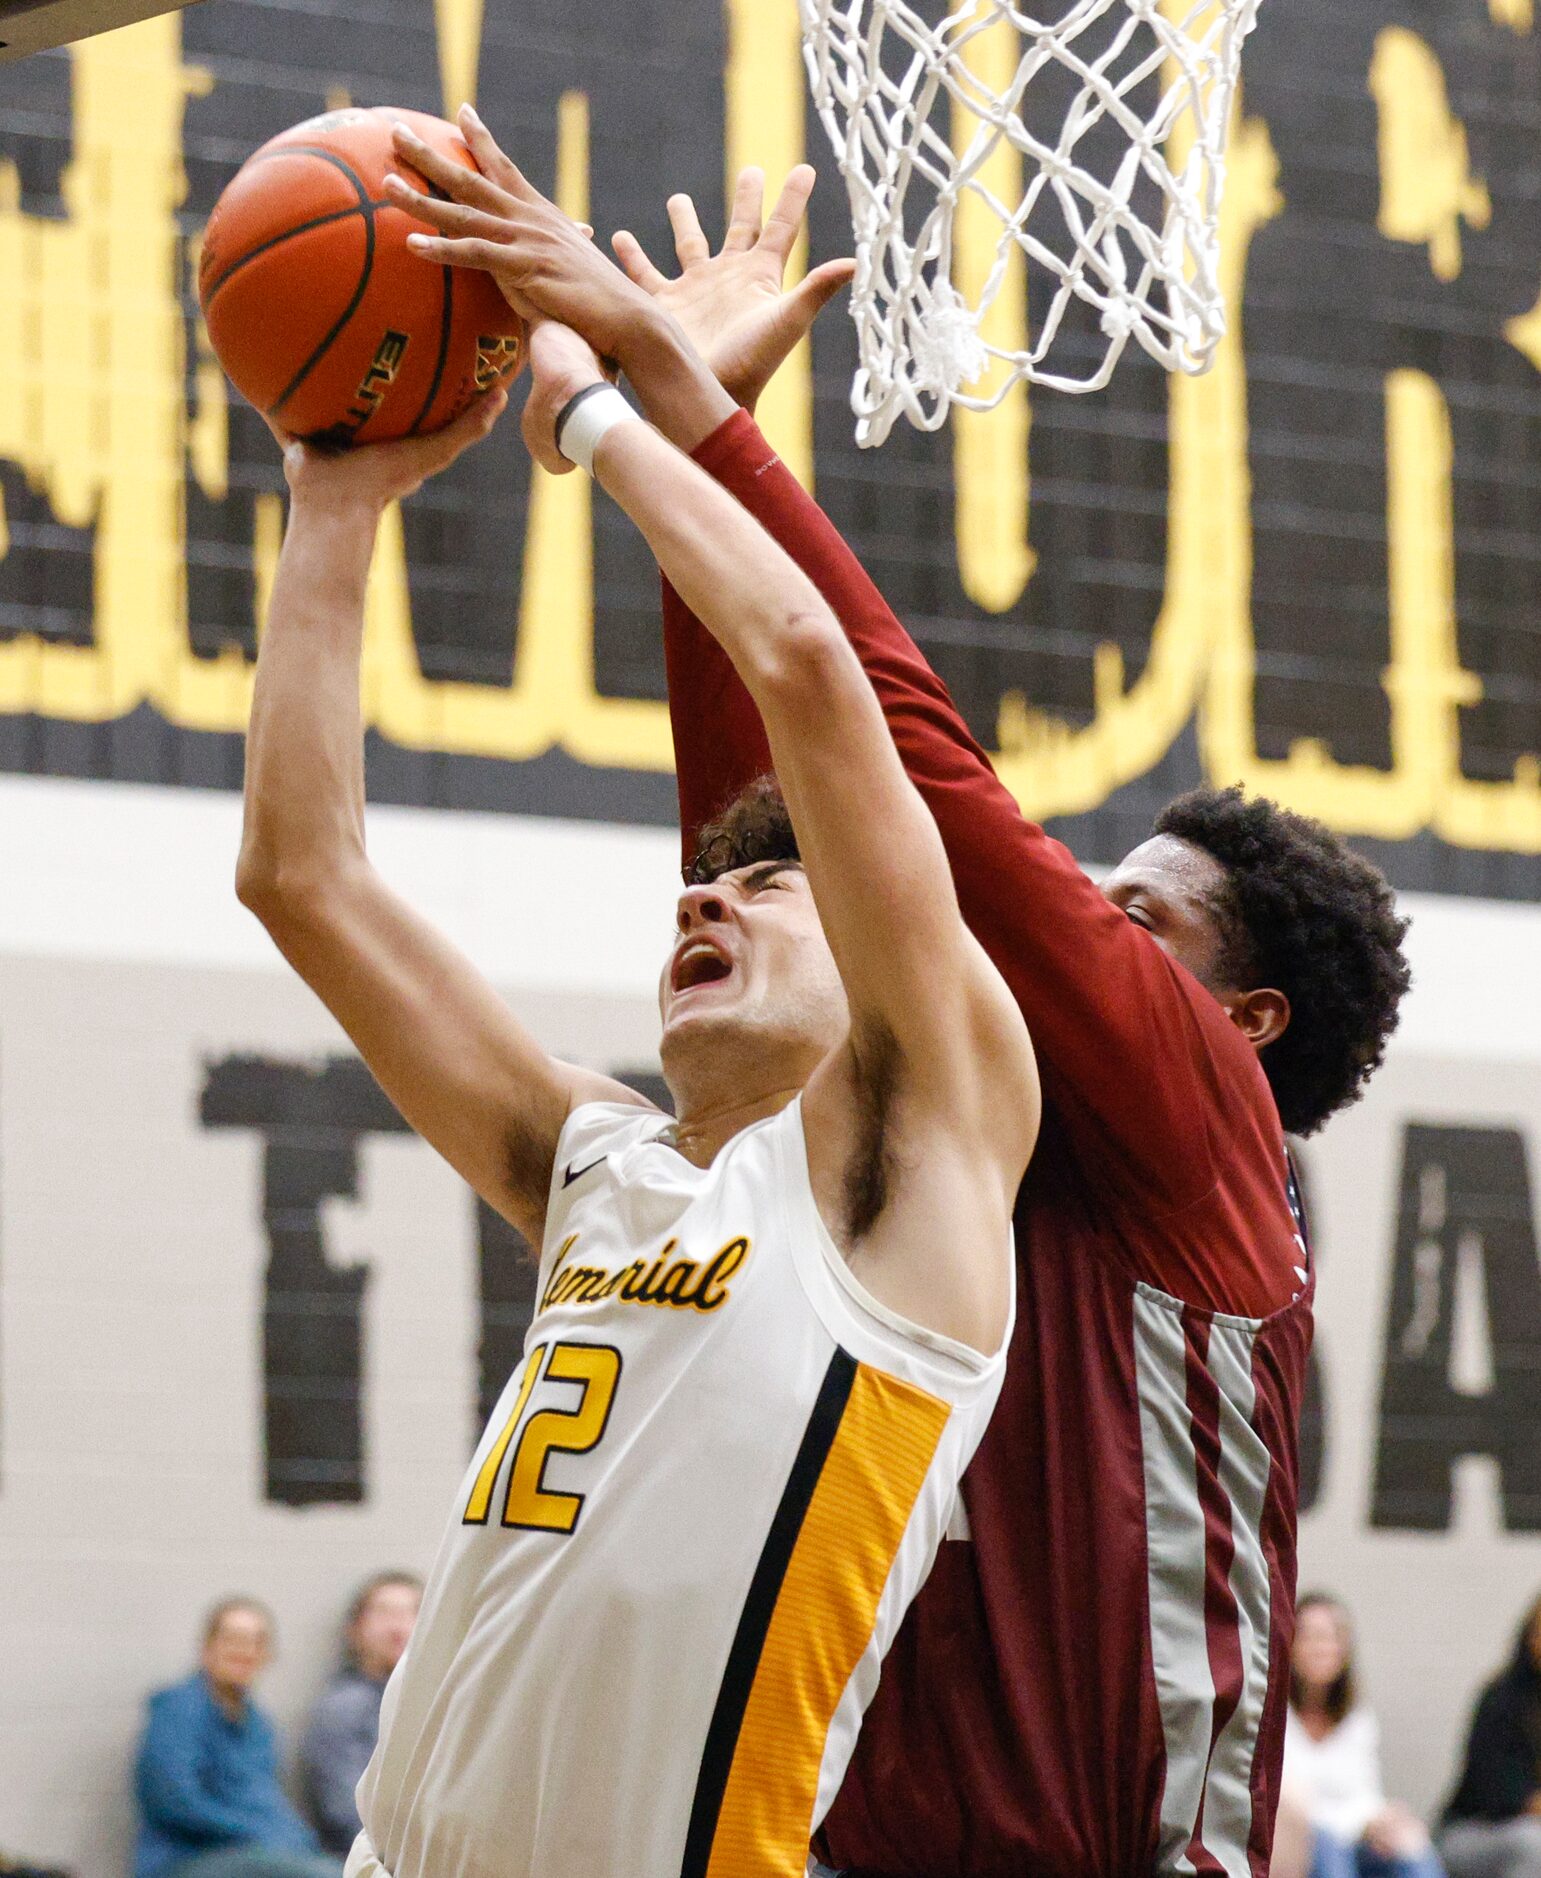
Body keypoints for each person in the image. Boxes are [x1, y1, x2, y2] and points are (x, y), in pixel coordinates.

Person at [390, 108, 1414, 1878]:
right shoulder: (925, 1151)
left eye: (1139, 913)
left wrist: (677, 421)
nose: (1082, 915)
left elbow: (906, 774)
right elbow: (793, 835)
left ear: (1241, 1018)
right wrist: (698, 468)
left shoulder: (1201, 1128)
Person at [235, 243, 1037, 1874]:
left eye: (768, 882)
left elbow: (811, 675)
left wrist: (604, 407)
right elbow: (299, 876)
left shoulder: (911, 1187)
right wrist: (334, 495)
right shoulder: (596, 1164)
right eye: (706, 876)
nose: (707, 892)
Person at [133, 1599, 336, 1878]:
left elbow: (267, 1799)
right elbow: (175, 1802)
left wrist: (295, 1838)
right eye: (234, 1639)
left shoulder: (259, 1725)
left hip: (257, 1854)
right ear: (207, 1647)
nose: (245, 1650)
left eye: (257, 1642)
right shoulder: (179, 1709)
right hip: (189, 1859)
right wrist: (260, 1832)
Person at [1285, 1592, 1444, 1878]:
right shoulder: (1274, 1717)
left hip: (1356, 1839)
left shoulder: (1358, 1717)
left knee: (1412, 1845)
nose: (1320, 1647)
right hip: (1302, 1843)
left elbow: (1364, 1793)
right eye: (1309, 1636)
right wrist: (1360, 1824)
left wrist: (1384, 1820)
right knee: (1325, 1844)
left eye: (1330, 1637)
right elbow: (1294, 1805)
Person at [299, 1576, 422, 1857]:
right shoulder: (344, 1707)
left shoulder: (434, 1704)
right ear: (354, 1629)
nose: (398, 1627)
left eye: (410, 1613)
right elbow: (346, 1813)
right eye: (384, 1613)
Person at [1438, 1593, 1541, 1878]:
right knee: (1534, 1843)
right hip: (1472, 1833)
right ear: (1531, 1637)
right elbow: (1506, 1795)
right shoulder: (1502, 1700)